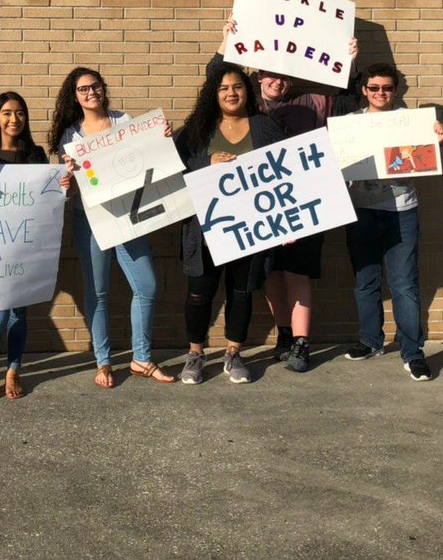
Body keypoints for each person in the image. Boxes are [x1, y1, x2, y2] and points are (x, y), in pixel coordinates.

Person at [212, 20, 359, 373]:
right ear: (258, 76)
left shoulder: (313, 103)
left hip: (303, 204)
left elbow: (354, 102)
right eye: (270, 76)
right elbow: (215, 78)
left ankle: (302, 343)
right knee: (270, 275)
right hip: (258, 208)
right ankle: (284, 335)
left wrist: (352, 63)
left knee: (297, 274)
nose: (277, 82)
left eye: (284, 77)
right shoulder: (245, 108)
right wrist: (226, 40)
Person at [50, 67, 176, 387]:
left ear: (103, 89)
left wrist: (162, 142)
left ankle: (141, 358)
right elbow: (73, 189)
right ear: (74, 96)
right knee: (98, 291)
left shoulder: (124, 122)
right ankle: (103, 361)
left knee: (146, 286)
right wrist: (68, 177)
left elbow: (145, 160)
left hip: (129, 215)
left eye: (95, 87)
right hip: (90, 219)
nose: (91, 93)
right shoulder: (71, 135)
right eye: (83, 89)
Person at [174, 62, 286, 384]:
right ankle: (195, 354)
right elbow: (175, 170)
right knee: (199, 295)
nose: (231, 93)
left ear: (246, 91)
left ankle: (233, 353)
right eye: (223, 88)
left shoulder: (264, 127)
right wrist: (205, 162)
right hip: (205, 230)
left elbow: (288, 170)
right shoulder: (198, 129)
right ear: (214, 94)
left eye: (237, 86)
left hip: (250, 229)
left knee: (241, 293)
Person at [341, 63, 443, 381]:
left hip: (401, 211)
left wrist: (437, 135)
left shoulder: (410, 123)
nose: (380, 93)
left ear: (395, 91)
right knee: (365, 283)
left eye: (386, 88)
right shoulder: (348, 124)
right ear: (364, 90)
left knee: (405, 285)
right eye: (374, 88)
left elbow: (430, 143)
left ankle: (413, 353)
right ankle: (371, 341)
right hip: (360, 211)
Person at [0, 92, 70, 400]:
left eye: (20, 113)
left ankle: (13, 370)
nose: (14, 119)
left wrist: (62, 187)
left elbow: (45, 202)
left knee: (20, 313)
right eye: (7, 113)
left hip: (25, 244)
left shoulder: (34, 154)